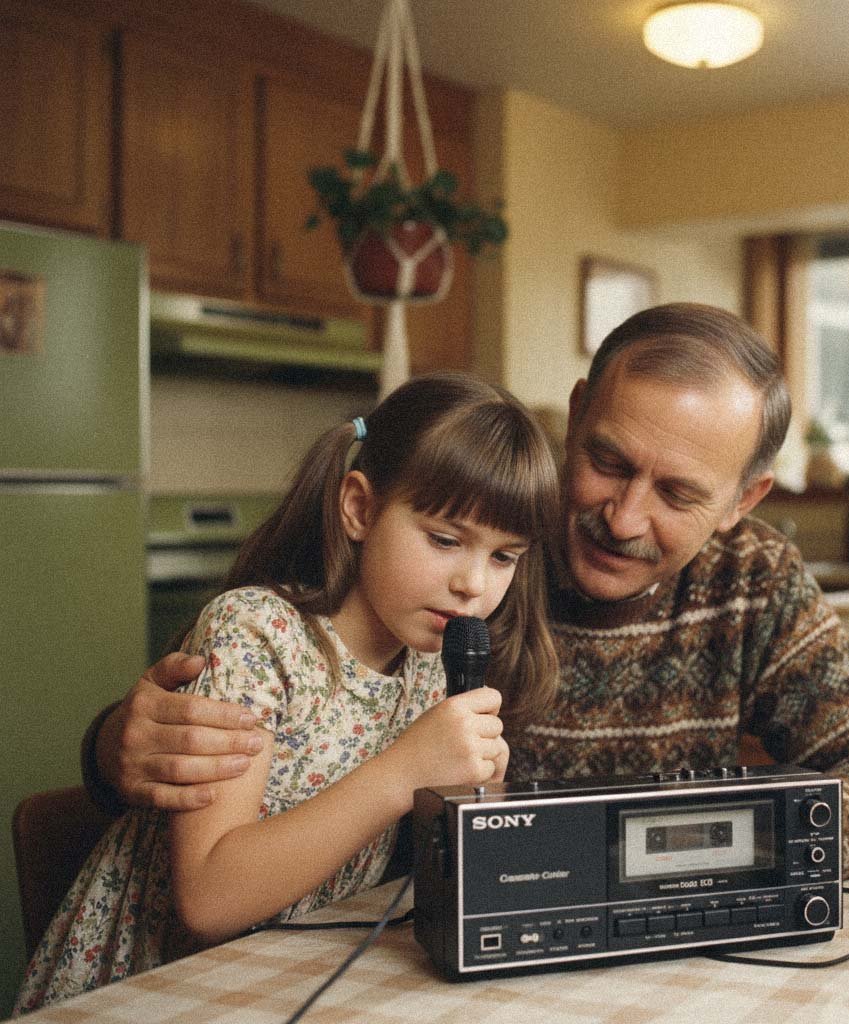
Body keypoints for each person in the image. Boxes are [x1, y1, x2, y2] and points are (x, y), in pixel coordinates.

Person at [79, 303, 849, 885]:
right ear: (578, 411)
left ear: (744, 501)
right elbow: (287, 695)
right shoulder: (452, 545)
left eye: (677, 495)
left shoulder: (754, 577)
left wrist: (726, 839)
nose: (622, 517)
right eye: (606, 461)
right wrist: (114, 747)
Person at [15, 372, 559, 1014]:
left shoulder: (428, 666)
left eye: (504, 557)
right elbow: (208, 902)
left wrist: (474, 798)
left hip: (282, 979)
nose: (474, 584)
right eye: (445, 539)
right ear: (359, 508)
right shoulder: (257, 636)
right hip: (150, 989)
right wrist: (403, 772)